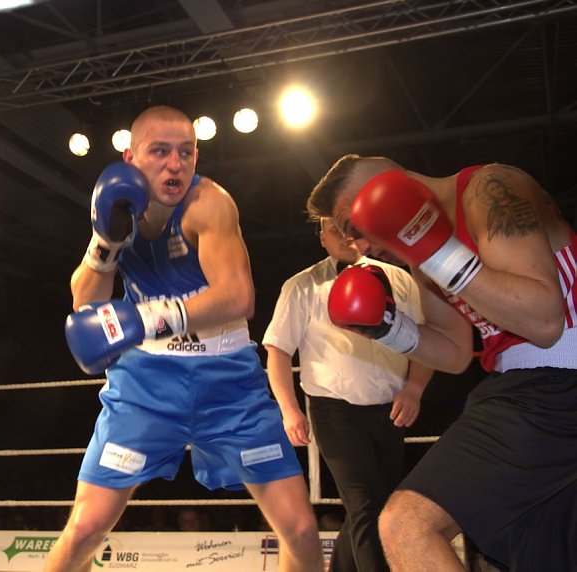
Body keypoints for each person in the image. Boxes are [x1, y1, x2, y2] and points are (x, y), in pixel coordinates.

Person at [47, 105, 323, 572]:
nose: (176, 164)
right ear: (131, 156)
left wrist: (149, 317)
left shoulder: (209, 203)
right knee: (85, 528)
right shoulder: (118, 207)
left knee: (300, 529)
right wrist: (106, 243)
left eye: (187, 153)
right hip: (145, 388)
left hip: (229, 384)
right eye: (161, 152)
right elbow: (83, 304)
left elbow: (238, 297)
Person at [306, 154, 577, 571]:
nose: (359, 247)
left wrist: (437, 254)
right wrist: (387, 328)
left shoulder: (489, 190)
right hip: (525, 384)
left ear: (386, 189)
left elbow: (544, 320)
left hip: (557, 375)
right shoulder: (423, 257)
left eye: (354, 227)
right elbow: (453, 353)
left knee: (406, 525)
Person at [263, 216, 434, 572]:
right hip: (333, 411)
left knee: (379, 506)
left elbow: (426, 340)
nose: (343, 235)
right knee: (367, 506)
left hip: (391, 409)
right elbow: (278, 352)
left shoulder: (398, 280)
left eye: (348, 225)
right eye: (333, 227)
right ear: (322, 236)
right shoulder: (303, 286)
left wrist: (415, 389)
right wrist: (290, 410)